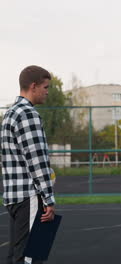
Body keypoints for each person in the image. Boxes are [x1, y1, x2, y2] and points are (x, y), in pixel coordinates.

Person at [2, 65, 56, 264]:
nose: (47, 92)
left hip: (13, 197)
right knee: (31, 257)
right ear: (33, 86)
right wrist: (48, 198)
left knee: (17, 256)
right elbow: (37, 159)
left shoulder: (10, 113)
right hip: (30, 196)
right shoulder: (28, 114)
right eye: (46, 87)